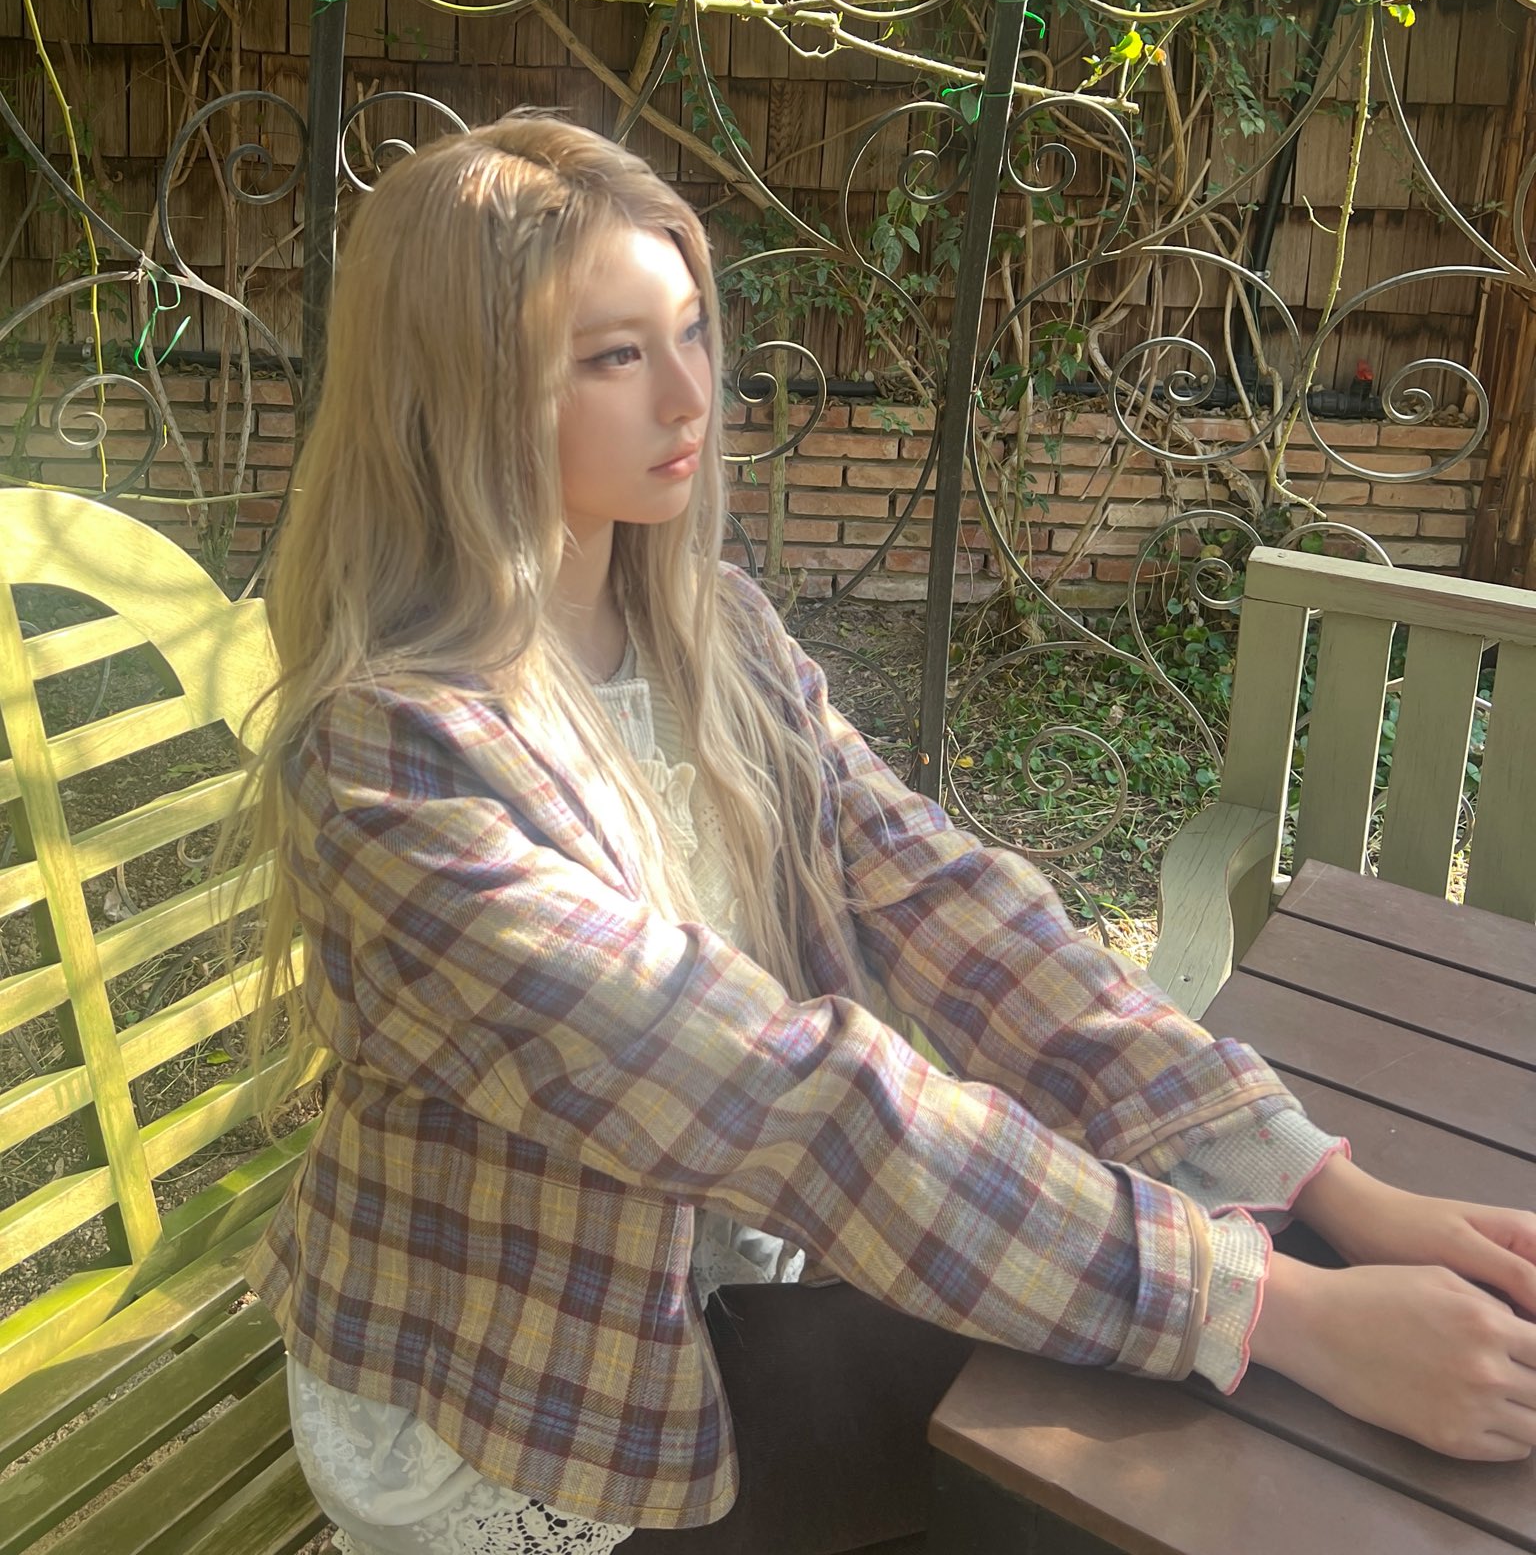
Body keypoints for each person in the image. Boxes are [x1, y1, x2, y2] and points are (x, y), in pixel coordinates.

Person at [235, 114, 1536, 1555]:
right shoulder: (396, 764)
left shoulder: (715, 638)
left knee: (1167, 1392)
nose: (691, 395)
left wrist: (1314, 1184)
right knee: (1120, 1455)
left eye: (692, 331)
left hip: (737, 1273)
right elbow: (785, 1097)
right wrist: (1270, 1309)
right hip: (524, 1393)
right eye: (613, 358)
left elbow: (959, 914)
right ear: (467, 395)